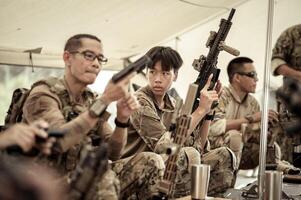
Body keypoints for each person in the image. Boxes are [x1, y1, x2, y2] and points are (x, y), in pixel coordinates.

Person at [21, 34, 163, 199]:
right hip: (45, 188)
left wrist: (122, 120)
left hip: (80, 179)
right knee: (102, 178)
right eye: (89, 56)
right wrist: (105, 100)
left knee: (151, 162)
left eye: (100, 59)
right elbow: (58, 141)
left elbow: (113, 153)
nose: (96, 64)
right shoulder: (43, 95)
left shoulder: (89, 100)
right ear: (67, 58)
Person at [118, 46, 237, 198]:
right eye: (152, 72)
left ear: (175, 76)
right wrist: (199, 110)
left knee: (224, 155)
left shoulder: (175, 104)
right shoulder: (139, 101)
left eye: (165, 73)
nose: (158, 79)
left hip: (167, 170)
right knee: (188, 154)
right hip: (140, 175)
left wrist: (209, 110)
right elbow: (164, 146)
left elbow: (199, 146)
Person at [209, 57, 299, 177]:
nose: (256, 79)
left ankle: (273, 181)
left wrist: (269, 130)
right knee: (234, 136)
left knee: (269, 144)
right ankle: (227, 187)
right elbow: (214, 127)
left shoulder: (253, 103)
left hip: (241, 152)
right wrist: (251, 118)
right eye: (252, 74)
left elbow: (251, 134)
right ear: (237, 77)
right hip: (215, 152)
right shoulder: (221, 95)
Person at [271, 24, 301, 164]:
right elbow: (276, 63)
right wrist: (298, 75)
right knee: (288, 156)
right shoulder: (292, 34)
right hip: (294, 103)